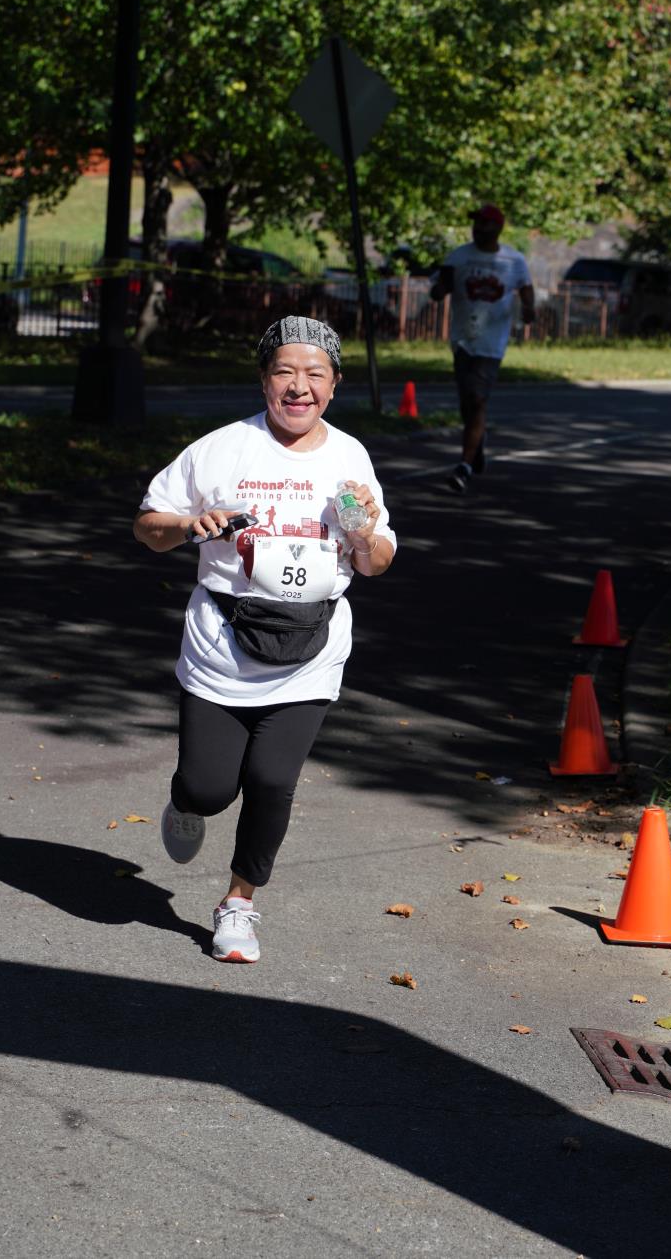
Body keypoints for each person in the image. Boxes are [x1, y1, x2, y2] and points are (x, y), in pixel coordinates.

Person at [133, 316, 397, 964]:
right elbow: (147, 526)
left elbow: (378, 561)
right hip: (222, 643)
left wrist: (363, 535)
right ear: (264, 380)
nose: (299, 387)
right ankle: (186, 800)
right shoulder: (221, 449)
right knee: (209, 788)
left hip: (311, 647)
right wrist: (190, 525)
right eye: (285, 372)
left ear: (334, 384)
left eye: (314, 374)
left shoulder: (350, 457)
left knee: (273, 780)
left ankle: (238, 904)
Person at [430, 203, 535, 493]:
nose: (478, 228)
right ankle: (476, 443)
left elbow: (526, 289)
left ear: (498, 228)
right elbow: (441, 287)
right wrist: (438, 289)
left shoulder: (513, 260)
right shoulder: (459, 256)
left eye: (485, 223)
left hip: (492, 341)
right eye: (476, 223)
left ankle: (464, 466)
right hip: (463, 339)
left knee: (477, 399)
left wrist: (529, 308)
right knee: (467, 401)